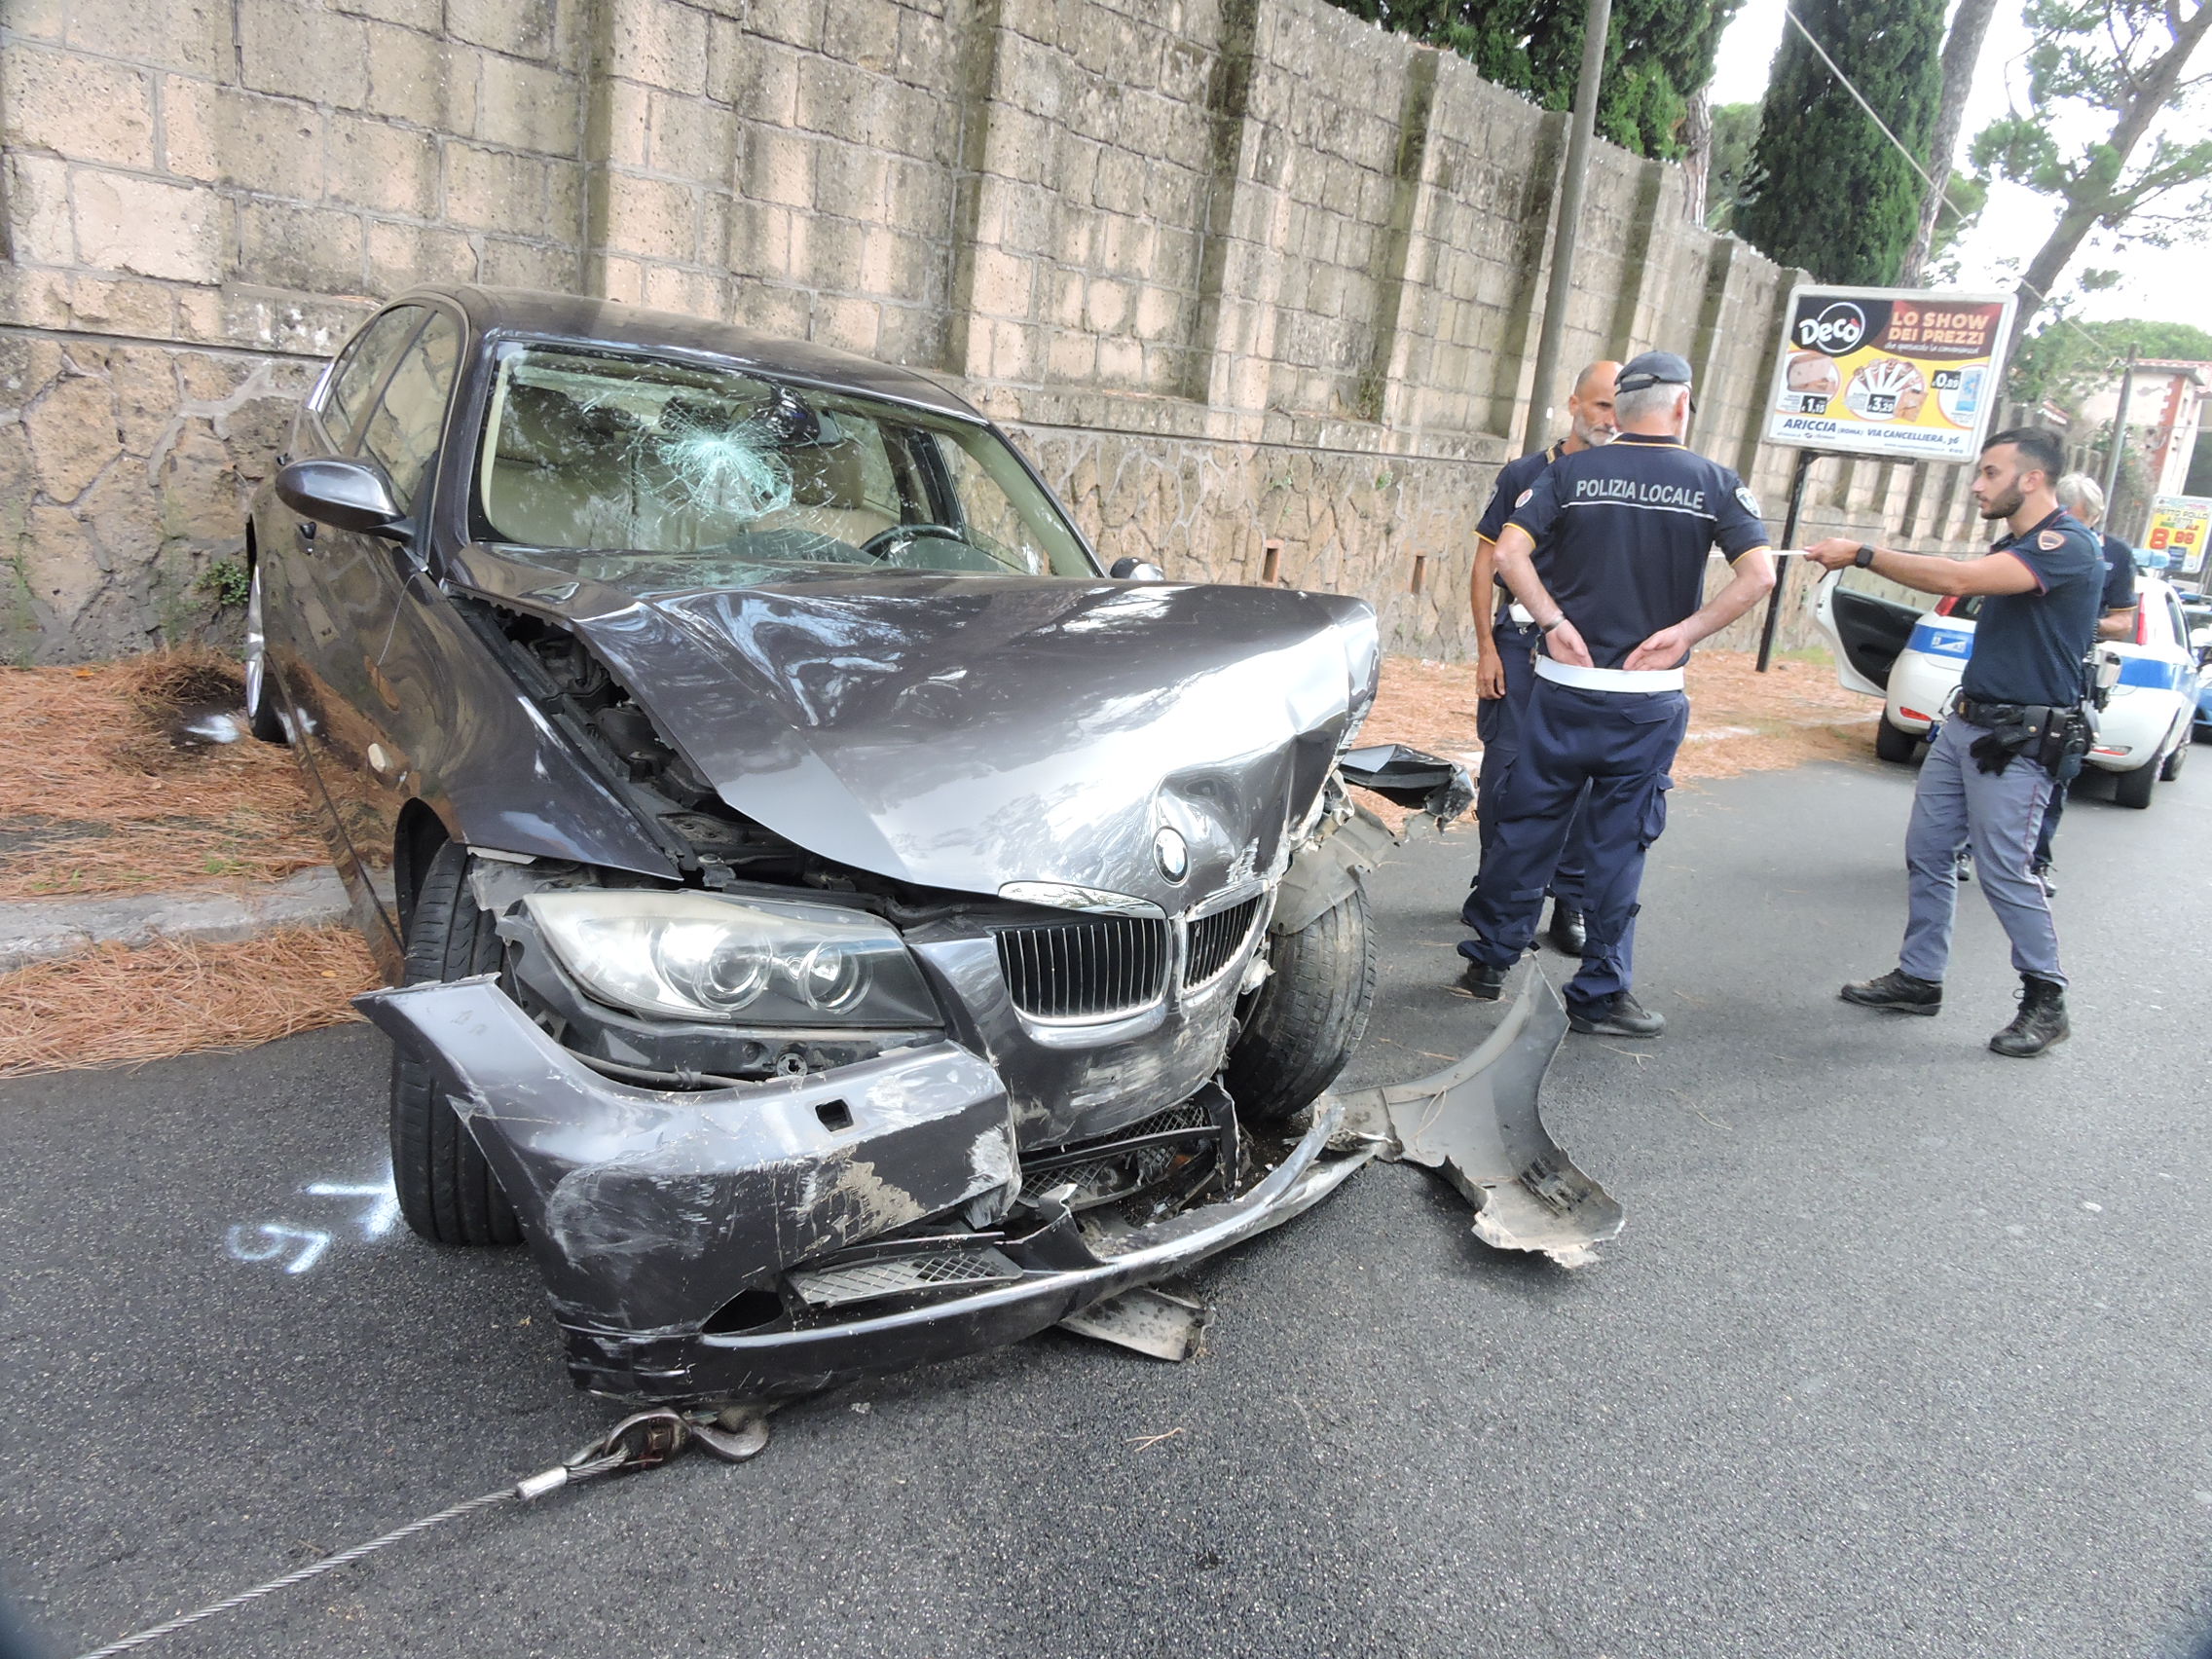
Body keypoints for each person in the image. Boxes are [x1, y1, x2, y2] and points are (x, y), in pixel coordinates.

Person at [1456, 351, 1776, 1036]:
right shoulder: (1714, 482)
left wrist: (1552, 622)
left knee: (1527, 822)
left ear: (1619, 409)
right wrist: (1685, 631)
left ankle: (1488, 961)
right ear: (1682, 405)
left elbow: (1508, 555)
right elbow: (1760, 577)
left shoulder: (1568, 473)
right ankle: (1599, 990)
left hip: (1561, 687)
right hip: (1646, 695)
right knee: (1619, 840)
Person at [1805, 426, 2100, 1058]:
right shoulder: (2019, 540)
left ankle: (2047, 998)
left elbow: (1960, 575)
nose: (1976, 485)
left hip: (2017, 739)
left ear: (2032, 479)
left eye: (1990, 472)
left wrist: (1863, 553)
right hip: (1968, 723)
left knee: (2004, 870)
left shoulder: (2063, 545)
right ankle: (1919, 977)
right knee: (1929, 850)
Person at [1462, 360, 1620, 956]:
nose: (1610, 418)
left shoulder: (1621, 481)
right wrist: (1486, 649)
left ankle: (1568, 905)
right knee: (1504, 779)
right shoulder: (1526, 473)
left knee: (1583, 783)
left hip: (1589, 658)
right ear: (1575, 404)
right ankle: (1500, 895)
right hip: (1520, 646)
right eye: (1602, 405)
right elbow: (1486, 564)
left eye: (1619, 407)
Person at [2025, 472, 2137, 891]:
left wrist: (2087, 625)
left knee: (2059, 763)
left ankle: (2036, 861)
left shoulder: (2115, 555)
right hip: (2018, 662)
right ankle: (1962, 847)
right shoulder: (2027, 541)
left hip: (2071, 672)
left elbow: (2123, 621)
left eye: (2082, 522)